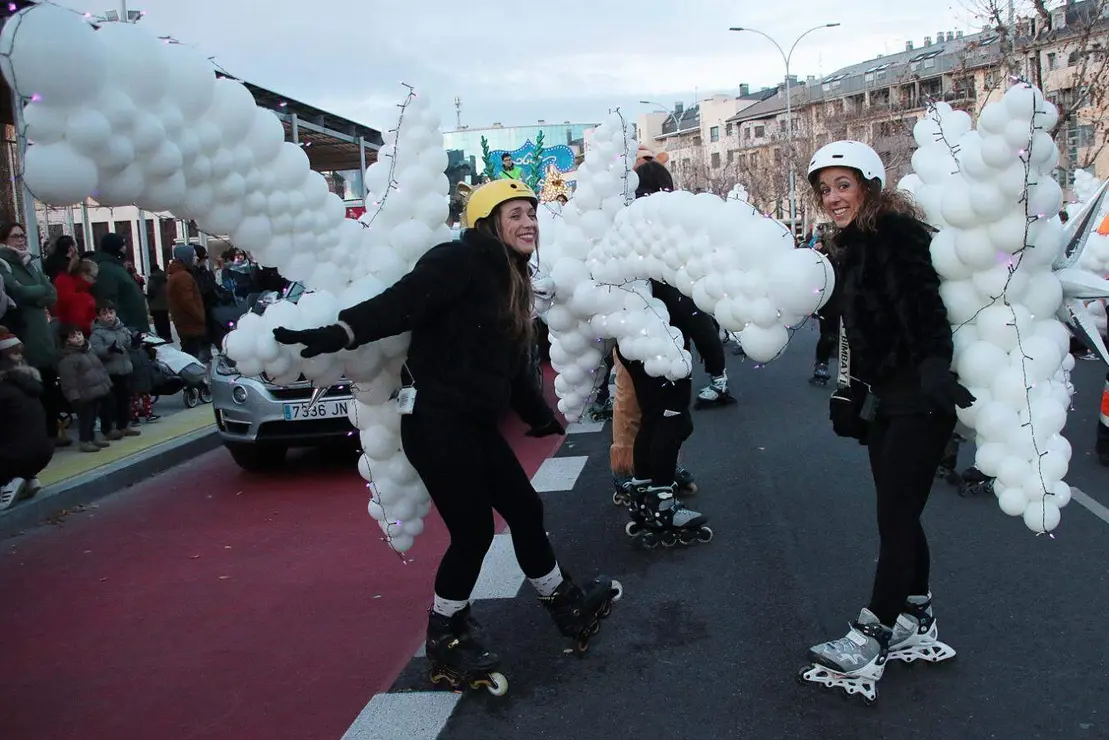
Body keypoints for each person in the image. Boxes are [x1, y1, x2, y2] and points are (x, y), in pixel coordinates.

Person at [272, 179, 621, 691]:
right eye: (515, 214)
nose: (528, 223)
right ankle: (445, 635)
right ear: (488, 223)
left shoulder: (510, 278)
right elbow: (399, 305)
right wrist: (338, 333)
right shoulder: (457, 261)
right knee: (474, 532)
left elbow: (509, 365)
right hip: (434, 423)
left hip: (471, 423)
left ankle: (563, 602)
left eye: (531, 213)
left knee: (525, 510)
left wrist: (537, 412)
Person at [798, 140, 974, 704]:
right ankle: (917, 613)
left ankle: (873, 629)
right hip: (887, 398)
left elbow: (923, 306)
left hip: (921, 398)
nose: (833, 198)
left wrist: (933, 366)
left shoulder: (898, 235)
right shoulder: (852, 245)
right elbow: (849, 325)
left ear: (869, 186)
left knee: (897, 514)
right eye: (825, 189)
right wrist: (848, 389)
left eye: (843, 185)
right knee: (895, 510)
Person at [613, 160, 717, 548]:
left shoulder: (624, 229)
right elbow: (680, 298)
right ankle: (660, 501)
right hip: (660, 341)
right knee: (672, 422)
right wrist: (709, 345)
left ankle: (644, 492)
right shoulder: (659, 235)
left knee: (655, 420)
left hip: (633, 341)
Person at [0, 222, 67, 448]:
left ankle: (52, 431)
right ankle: (38, 438)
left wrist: (37, 295)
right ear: (3, 240)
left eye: (22, 235)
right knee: (28, 386)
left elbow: (51, 293)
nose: (20, 240)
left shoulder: (30, 262)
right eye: (15, 236)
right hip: (22, 332)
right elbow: (17, 292)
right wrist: (39, 294)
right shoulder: (4, 264)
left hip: (41, 331)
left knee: (47, 383)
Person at [0, 328, 54, 509]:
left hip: (17, 457)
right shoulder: (27, 383)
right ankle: (29, 478)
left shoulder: (5, 388)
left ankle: (8, 482)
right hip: (44, 451)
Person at [57, 323, 114, 453]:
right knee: (85, 419)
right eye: (73, 336)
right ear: (66, 341)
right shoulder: (68, 359)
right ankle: (84, 441)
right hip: (82, 396)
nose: (78, 338)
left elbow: (100, 370)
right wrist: (74, 397)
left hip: (95, 392)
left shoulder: (88, 351)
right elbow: (69, 382)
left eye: (79, 334)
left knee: (93, 417)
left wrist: (107, 384)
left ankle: (92, 438)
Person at [89, 300, 140, 440]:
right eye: (104, 313)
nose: (109, 316)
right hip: (109, 374)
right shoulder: (97, 333)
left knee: (125, 400)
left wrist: (134, 343)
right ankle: (108, 429)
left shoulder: (122, 328)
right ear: (98, 316)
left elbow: (128, 344)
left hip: (124, 370)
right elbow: (96, 350)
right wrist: (109, 350)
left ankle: (123, 426)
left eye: (111, 312)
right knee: (109, 403)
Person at [90, 233, 150, 333]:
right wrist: (120, 328)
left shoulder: (115, 266)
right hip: (126, 329)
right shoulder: (106, 269)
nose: (125, 248)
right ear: (116, 247)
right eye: (123, 245)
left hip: (132, 327)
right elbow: (109, 300)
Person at [166, 245, 209, 363]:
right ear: (186, 257)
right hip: (190, 325)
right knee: (192, 358)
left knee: (190, 354)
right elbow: (188, 303)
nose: (196, 258)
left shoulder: (179, 275)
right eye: (194, 255)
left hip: (186, 324)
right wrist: (201, 317)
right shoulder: (183, 277)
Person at [53, 258, 99, 338]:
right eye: (93, 277)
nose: (94, 281)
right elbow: (77, 319)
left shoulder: (79, 289)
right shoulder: (80, 295)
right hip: (76, 333)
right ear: (84, 274)